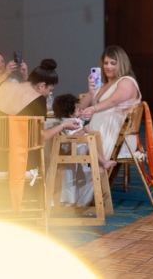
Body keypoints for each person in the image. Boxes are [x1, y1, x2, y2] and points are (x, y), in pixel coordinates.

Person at [62, 46, 142, 207]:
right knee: (65, 142)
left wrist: (94, 108)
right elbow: (79, 110)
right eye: (105, 63)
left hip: (116, 135)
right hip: (97, 129)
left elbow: (112, 102)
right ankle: (65, 196)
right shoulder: (103, 84)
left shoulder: (127, 82)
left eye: (113, 63)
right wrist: (91, 93)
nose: (108, 67)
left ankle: (78, 198)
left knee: (74, 144)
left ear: (122, 64)